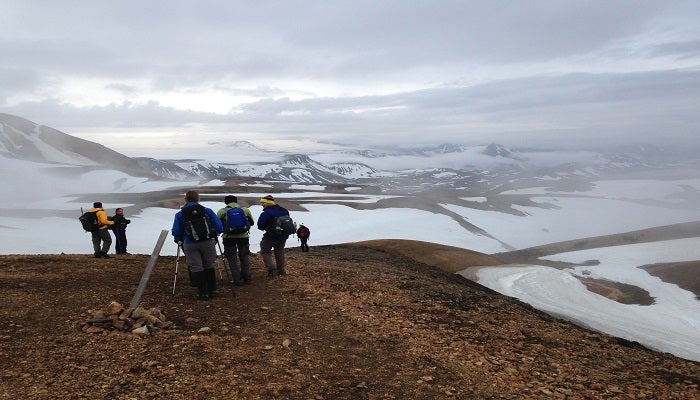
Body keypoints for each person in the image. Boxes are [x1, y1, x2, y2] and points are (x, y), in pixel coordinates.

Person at [171, 191, 223, 300]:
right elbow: (219, 226)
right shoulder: (206, 211)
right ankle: (212, 290)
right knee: (209, 264)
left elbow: (176, 231)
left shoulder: (180, 214)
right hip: (208, 242)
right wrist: (214, 233)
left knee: (196, 266)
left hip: (190, 243)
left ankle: (202, 293)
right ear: (198, 199)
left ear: (186, 199)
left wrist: (180, 238)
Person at [216, 195, 255, 285]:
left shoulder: (222, 211)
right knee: (244, 257)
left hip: (228, 238)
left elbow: (217, 225)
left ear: (226, 202)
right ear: (236, 201)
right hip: (244, 237)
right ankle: (247, 278)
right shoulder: (245, 210)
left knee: (232, 259)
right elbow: (251, 223)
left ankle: (237, 280)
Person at [257, 195, 291, 277]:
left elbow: (260, 225)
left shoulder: (266, 213)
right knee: (279, 251)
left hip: (271, 236)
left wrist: (267, 227)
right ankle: (281, 271)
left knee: (265, 249)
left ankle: (271, 269)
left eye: (263, 202)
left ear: (269, 203)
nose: (262, 204)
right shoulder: (284, 211)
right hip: (283, 236)